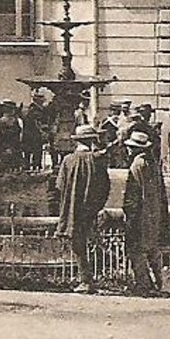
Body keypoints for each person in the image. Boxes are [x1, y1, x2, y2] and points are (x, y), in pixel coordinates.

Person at [55, 124, 111, 294]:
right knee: (94, 240)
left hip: (73, 208)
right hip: (91, 208)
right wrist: (98, 204)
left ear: (77, 142)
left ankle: (86, 279)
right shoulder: (97, 160)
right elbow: (105, 186)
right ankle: (99, 274)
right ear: (92, 141)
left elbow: (59, 186)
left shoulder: (68, 160)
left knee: (78, 244)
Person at [121, 130, 170, 295]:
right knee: (152, 248)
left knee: (136, 249)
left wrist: (129, 214)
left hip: (140, 214)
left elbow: (134, 194)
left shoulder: (137, 165)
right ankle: (158, 281)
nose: (128, 149)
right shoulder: (153, 163)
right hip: (153, 212)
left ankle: (143, 284)